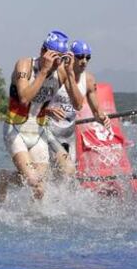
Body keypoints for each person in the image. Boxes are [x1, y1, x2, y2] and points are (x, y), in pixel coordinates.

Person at [0, 30, 83, 202]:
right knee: (34, 181)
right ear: (43, 51)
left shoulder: (62, 71)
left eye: (60, 58)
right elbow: (24, 98)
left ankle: (34, 219)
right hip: (16, 130)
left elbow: (78, 105)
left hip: (39, 132)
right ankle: (4, 178)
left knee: (45, 183)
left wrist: (71, 74)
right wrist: (43, 72)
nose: (56, 63)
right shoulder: (24, 65)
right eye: (53, 57)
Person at [46, 40, 111, 177]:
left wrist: (103, 118)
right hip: (48, 130)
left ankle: (9, 178)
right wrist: (48, 111)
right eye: (80, 56)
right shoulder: (57, 74)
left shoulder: (88, 80)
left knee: (64, 177)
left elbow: (96, 111)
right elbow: (37, 103)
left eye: (88, 57)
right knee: (65, 171)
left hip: (69, 134)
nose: (84, 61)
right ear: (71, 57)